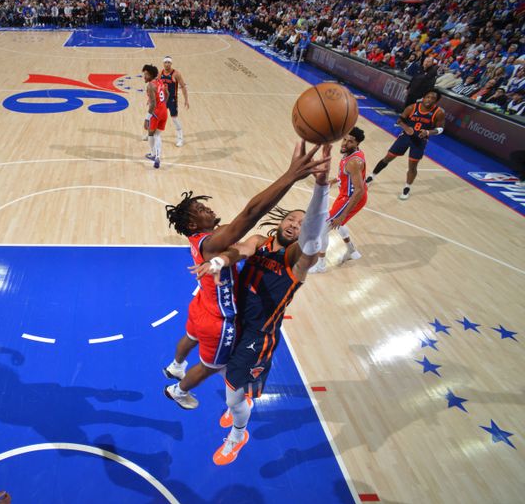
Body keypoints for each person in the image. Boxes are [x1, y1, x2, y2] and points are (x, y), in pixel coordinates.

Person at [192, 143, 333, 465]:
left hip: (259, 335)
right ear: (282, 221)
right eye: (291, 219)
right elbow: (239, 250)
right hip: (236, 323)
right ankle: (238, 409)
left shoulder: (297, 258)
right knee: (230, 379)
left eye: (302, 223)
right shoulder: (261, 241)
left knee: (233, 392)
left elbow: (312, 237)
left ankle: (238, 435)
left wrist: (321, 189)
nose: (295, 225)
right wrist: (218, 263)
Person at [163, 140, 329, 410]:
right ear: (194, 224)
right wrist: (291, 175)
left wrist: (224, 258)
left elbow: (240, 246)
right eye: (203, 210)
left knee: (190, 335)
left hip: (201, 305)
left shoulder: (201, 238)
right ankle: (178, 390)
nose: (210, 209)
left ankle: (176, 365)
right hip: (219, 319)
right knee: (210, 367)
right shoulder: (213, 241)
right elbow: (251, 213)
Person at [365, 90, 445, 200]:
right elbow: (399, 120)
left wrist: (428, 132)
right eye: (428, 97)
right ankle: (371, 176)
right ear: (424, 97)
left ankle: (407, 187)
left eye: (432, 98)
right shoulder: (412, 107)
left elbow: (440, 129)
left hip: (420, 141)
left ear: (436, 101)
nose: (429, 100)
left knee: (412, 166)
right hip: (405, 137)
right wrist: (406, 128)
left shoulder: (438, 112)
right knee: (388, 157)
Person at [309, 127, 367, 273]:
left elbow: (359, 190)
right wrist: (332, 181)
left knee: (322, 230)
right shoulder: (350, 154)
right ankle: (352, 251)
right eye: (345, 139)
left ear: (357, 144)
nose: (345, 143)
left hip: (351, 198)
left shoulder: (354, 162)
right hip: (346, 196)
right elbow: (346, 176)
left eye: (350, 141)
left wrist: (342, 215)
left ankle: (320, 265)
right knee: (336, 223)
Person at [142, 64, 168, 169]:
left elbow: (152, 104)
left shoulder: (150, 85)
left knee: (151, 134)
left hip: (156, 113)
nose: (144, 77)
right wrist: (163, 105)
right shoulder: (160, 81)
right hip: (164, 112)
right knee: (157, 135)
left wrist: (147, 118)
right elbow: (167, 94)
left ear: (151, 75)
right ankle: (156, 155)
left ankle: (155, 155)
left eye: (146, 75)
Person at [159, 56, 189, 147]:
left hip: (172, 99)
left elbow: (183, 86)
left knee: (174, 119)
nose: (167, 64)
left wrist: (186, 99)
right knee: (157, 117)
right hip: (163, 99)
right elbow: (157, 85)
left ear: (171, 63)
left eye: (169, 62)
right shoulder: (160, 73)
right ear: (163, 63)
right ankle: (152, 134)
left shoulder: (176, 74)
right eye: (165, 62)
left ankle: (180, 139)